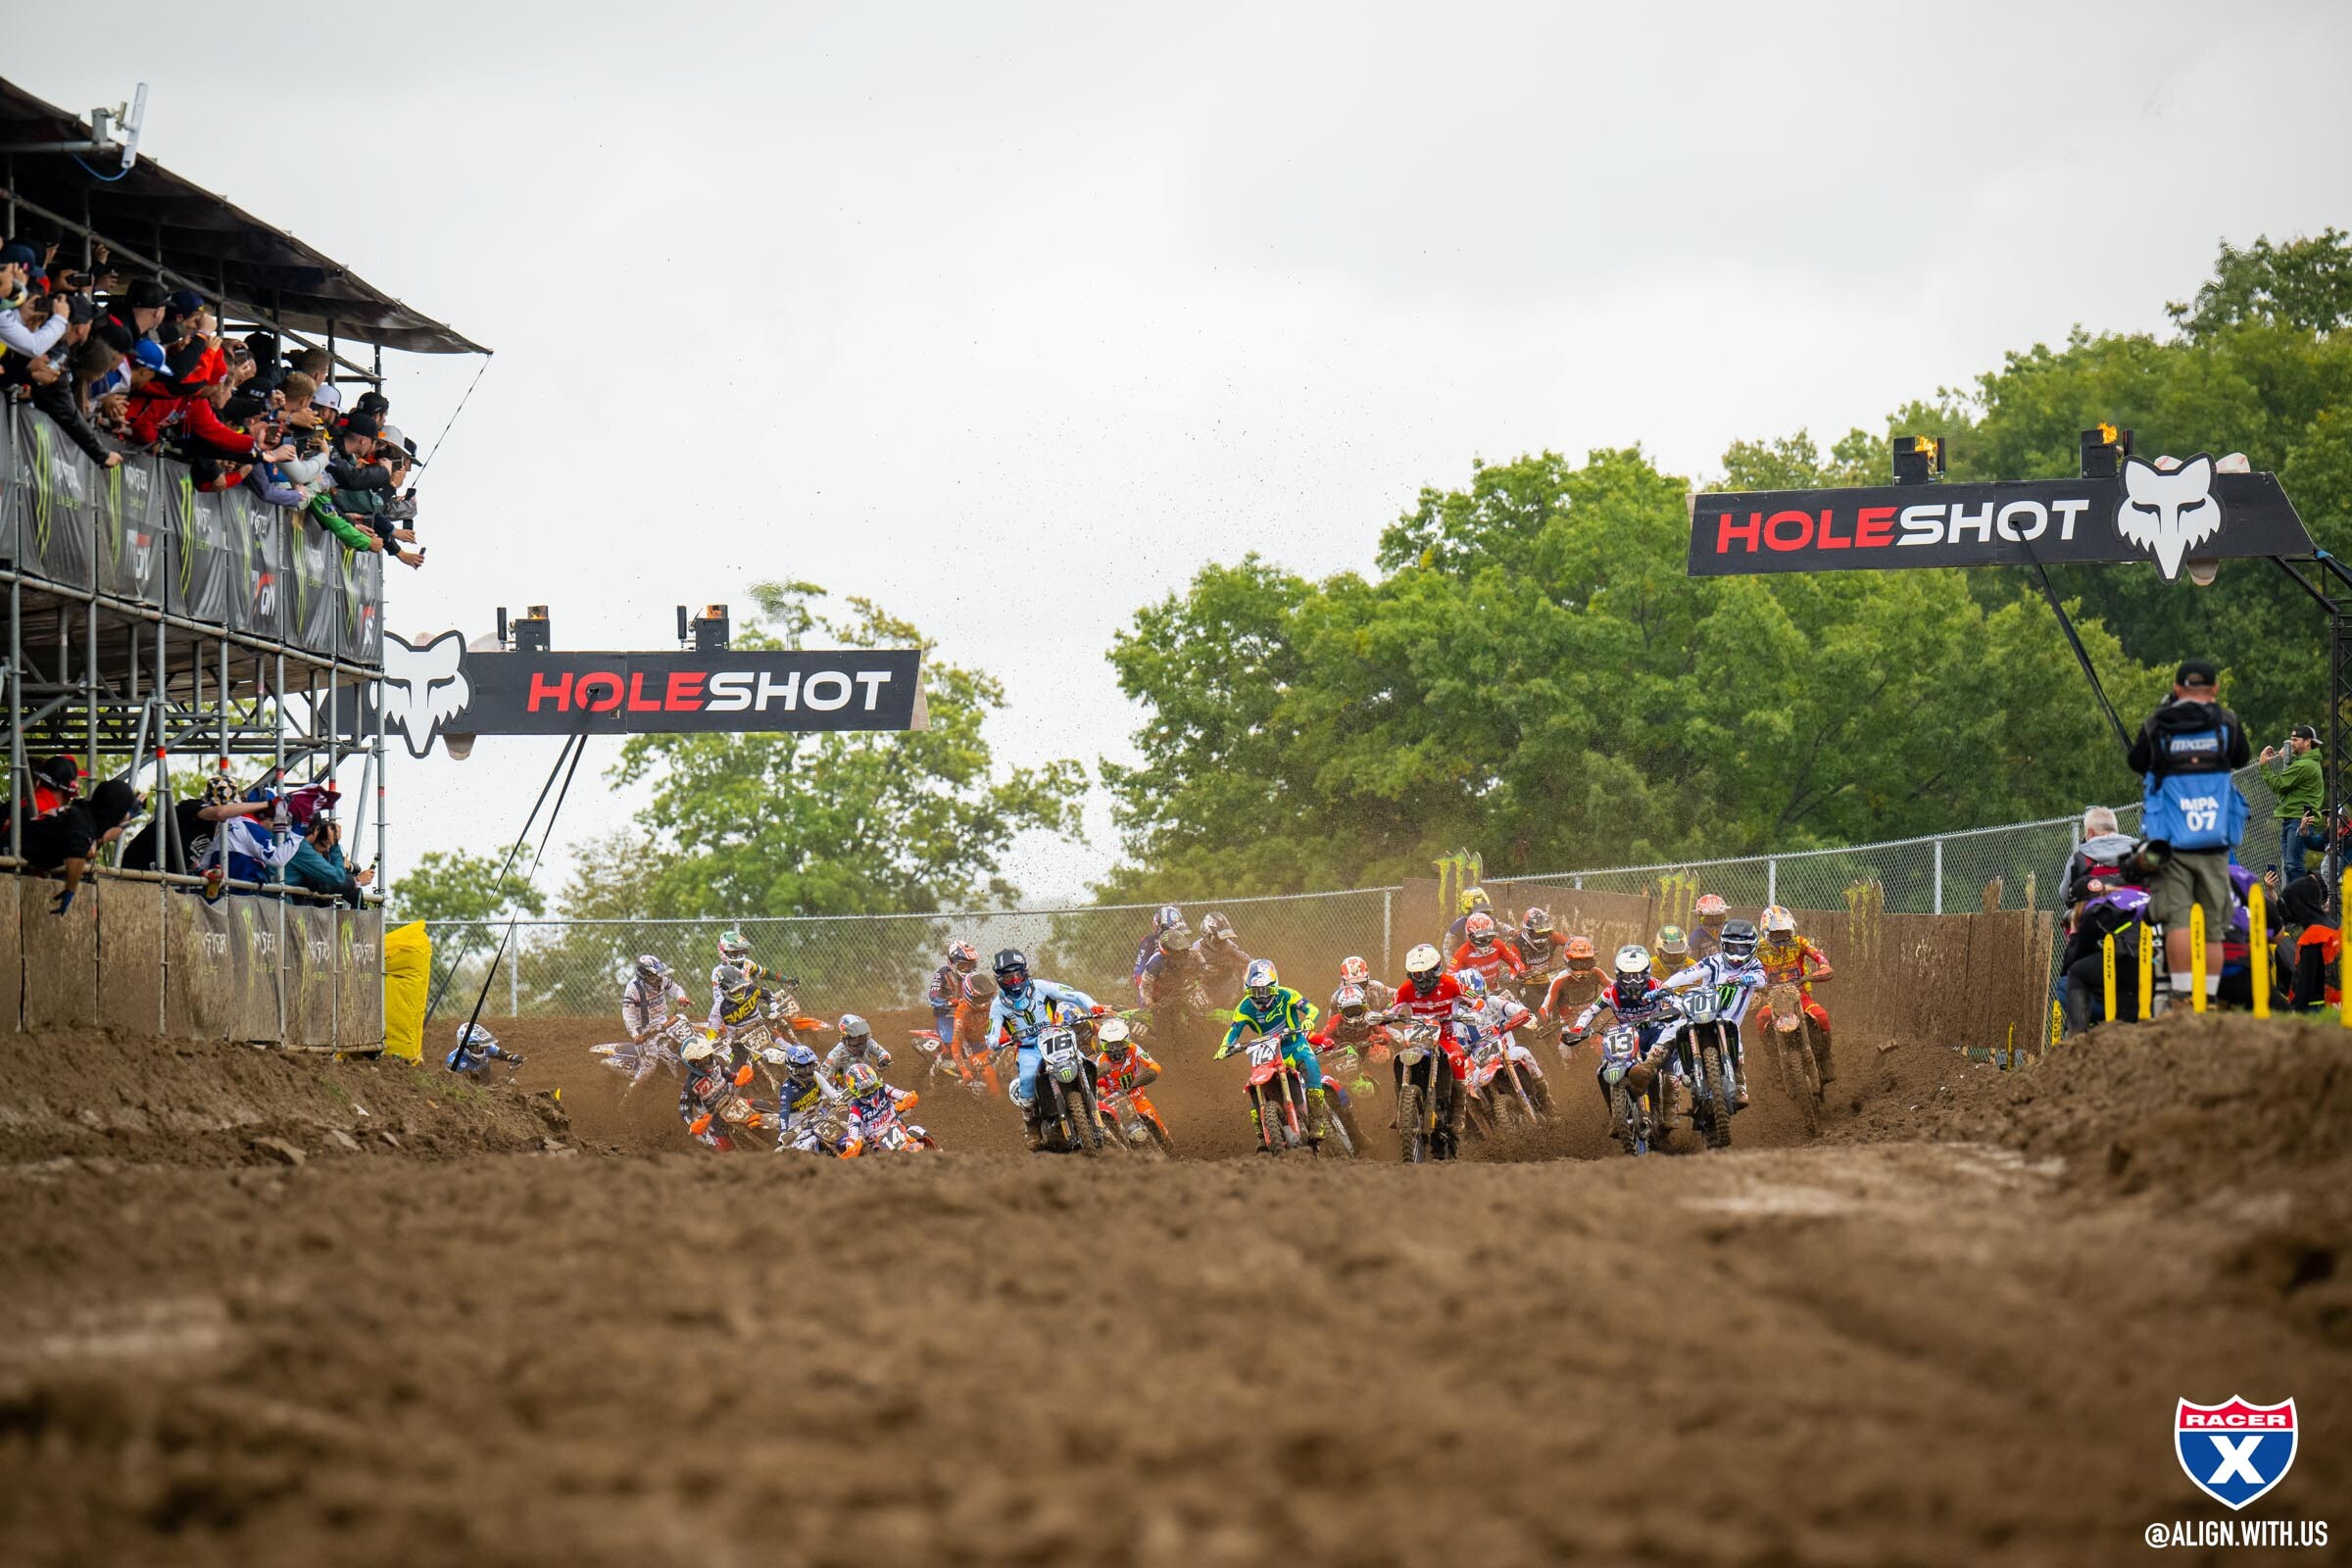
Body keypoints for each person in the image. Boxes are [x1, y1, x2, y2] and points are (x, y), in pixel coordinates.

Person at [2127, 660, 2251, 1010]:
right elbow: (2241, 757)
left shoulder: (2158, 724)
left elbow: (2137, 762)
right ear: (2214, 689)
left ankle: (2182, 996)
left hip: (2171, 839)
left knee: (2177, 917)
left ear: (2177, 687)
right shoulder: (2226, 723)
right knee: (2214, 924)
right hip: (2214, 835)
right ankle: (2207, 998)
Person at [985, 948, 1102, 1150]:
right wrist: (994, 1040)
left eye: (1018, 975)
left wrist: (1092, 1006)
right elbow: (992, 1030)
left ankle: (1096, 1102)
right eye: (1008, 978)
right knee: (1027, 1079)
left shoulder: (1041, 987)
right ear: (999, 979)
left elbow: (1073, 994)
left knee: (1085, 1061)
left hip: (1056, 1037)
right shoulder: (998, 1005)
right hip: (1029, 1048)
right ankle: (1032, 1127)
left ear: (1025, 972)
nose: (1015, 981)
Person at [1214, 958, 1330, 1145]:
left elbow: (1312, 1008)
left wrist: (1308, 1019)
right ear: (1247, 990)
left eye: (1265, 991)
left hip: (1294, 1045)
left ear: (1274, 987)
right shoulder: (1244, 1007)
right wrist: (1224, 1047)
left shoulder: (1286, 994)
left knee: (1310, 1064)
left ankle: (1317, 1121)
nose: (1260, 997)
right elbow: (1234, 1030)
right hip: (1267, 1051)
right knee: (1253, 1084)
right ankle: (1261, 1137)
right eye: (1255, 992)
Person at [1565, 944, 1688, 1118]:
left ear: (1646, 972)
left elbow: (1677, 1001)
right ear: (1618, 973)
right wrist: (1578, 1029)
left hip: (1655, 1033)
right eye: (1627, 976)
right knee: (1603, 1069)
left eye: (1637, 975)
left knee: (1669, 1067)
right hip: (1626, 1036)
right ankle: (1615, 1112)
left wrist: (1675, 1010)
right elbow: (1591, 1011)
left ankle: (1670, 1111)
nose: (1633, 981)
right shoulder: (1611, 991)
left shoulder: (1657, 985)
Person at [1659, 917, 1767, 1106]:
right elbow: (1690, 973)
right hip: (1702, 1015)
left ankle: (1740, 1083)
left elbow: (1761, 979)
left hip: (1729, 1023)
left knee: (1738, 1049)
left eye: (1742, 949)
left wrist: (1745, 979)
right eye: (1732, 948)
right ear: (1724, 945)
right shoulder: (1714, 962)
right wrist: (1666, 986)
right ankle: (1660, 1065)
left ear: (1752, 948)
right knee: (1672, 1029)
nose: (1736, 954)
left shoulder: (1754, 966)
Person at [2057, 844, 2160, 1032]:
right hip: (2166, 957)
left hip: (2138, 958)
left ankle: (2077, 1036)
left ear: (2079, 903)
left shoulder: (2094, 910)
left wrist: (2073, 934)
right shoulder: (2132, 894)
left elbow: (2075, 959)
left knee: (2075, 975)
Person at [1385, 942, 1472, 1155]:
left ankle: (1459, 1114)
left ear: (1436, 970)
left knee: (1457, 1056)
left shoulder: (1451, 984)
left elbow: (1473, 998)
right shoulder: (1405, 989)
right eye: (1415, 975)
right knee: (1398, 1058)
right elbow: (1391, 1008)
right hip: (1416, 1040)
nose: (1420, 980)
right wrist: (1383, 1018)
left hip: (1444, 1038)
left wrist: (1476, 1009)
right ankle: (1403, 1110)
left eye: (1424, 974)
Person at [22, 779, 140, 912]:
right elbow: (77, 855)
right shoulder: (82, 822)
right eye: (124, 811)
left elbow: (100, 838)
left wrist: (129, 817)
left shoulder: (85, 814)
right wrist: (70, 890)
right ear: (115, 810)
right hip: (10, 860)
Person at [119, 775, 271, 877]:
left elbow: (188, 853)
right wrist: (266, 804)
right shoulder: (192, 807)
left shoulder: (213, 827)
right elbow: (220, 812)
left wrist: (202, 871)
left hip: (164, 873)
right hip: (141, 867)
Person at [1451, 968, 1552, 1115]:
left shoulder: (1493, 1002)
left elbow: (1517, 1010)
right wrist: (1458, 1052)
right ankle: (1484, 1126)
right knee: (1468, 1085)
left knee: (1524, 1053)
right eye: (1466, 999)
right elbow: (1457, 1044)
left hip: (1507, 1051)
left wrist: (1521, 1017)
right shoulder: (1459, 1019)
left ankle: (1546, 1101)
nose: (1472, 1003)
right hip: (1480, 1064)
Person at [1753, 906, 1836, 1087]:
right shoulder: (1757, 948)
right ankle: (1775, 1064)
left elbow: (1820, 958)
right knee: (1761, 1019)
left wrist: (1822, 967)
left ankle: (1825, 1058)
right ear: (1766, 932)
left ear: (1791, 930)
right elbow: (1745, 968)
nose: (1781, 938)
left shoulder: (1800, 943)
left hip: (1800, 995)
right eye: (1776, 934)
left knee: (1821, 1016)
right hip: (1772, 998)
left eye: (1784, 933)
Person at [2260, 726, 2327, 880]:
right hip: (2292, 817)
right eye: (2291, 739)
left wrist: (2264, 766)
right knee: (2289, 866)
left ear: (2308, 741)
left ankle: (2299, 901)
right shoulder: (2305, 761)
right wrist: (2290, 757)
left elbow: (2279, 785)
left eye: (2295, 740)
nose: (2291, 743)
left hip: (2298, 819)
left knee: (2293, 865)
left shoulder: (2305, 765)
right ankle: (2291, 901)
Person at [618, 956, 694, 1091]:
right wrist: (636, 1035)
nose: (658, 980)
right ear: (644, 976)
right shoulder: (633, 988)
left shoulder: (662, 979)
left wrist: (681, 997)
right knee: (649, 1065)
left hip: (663, 1022)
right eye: (654, 977)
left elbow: (675, 988)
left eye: (659, 976)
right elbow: (628, 1014)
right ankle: (630, 1095)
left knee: (685, 1030)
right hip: (645, 1031)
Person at [2060, 807, 2139, 920]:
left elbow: (2065, 895)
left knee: (2069, 917)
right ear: (2115, 829)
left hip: (2096, 922)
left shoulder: (2079, 858)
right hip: (2137, 918)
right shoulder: (2138, 851)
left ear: (2090, 832)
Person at [835, 1061, 925, 1155]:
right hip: (877, 1145)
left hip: (898, 1128)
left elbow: (903, 1094)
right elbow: (852, 1129)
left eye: (873, 1087)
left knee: (917, 1130)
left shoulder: (883, 1088)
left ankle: (938, 1152)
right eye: (865, 1091)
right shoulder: (856, 1107)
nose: (871, 1093)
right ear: (855, 1091)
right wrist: (852, 1147)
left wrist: (907, 1099)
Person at [282, 815, 375, 907]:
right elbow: (325, 883)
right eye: (322, 845)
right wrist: (356, 880)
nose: (326, 849)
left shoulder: (327, 856)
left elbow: (349, 891)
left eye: (329, 846)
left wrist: (347, 873)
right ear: (315, 832)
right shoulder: (301, 850)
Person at [2278, 874, 2340, 1012]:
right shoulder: (2334, 927)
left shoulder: (2311, 938)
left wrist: (2294, 1009)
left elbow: (2305, 983)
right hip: (2336, 1005)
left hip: (2314, 1007)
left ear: (2299, 905)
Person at [1450, 910, 1528, 992]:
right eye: (1480, 938)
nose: (1484, 942)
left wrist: (1520, 972)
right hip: (1474, 996)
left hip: (1495, 991)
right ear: (1470, 936)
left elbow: (1514, 960)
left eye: (1488, 937)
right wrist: (1465, 992)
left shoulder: (1497, 944)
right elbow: (1450, 976)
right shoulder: (1462, 953)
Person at [1538, 935, 1605, 1026]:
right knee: (1564, 1039)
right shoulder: (1560, 980)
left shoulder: (1597, 973)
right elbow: (1546, 1007)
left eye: (1588, 963)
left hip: (1593, 1019)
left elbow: (1615, 987)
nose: (1583, 969)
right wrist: (1541, 1022)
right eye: (1577, 964)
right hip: (1568, 1024)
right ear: (1568, 961)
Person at [929, 939, 980, 1051]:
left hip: (969, 1016)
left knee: (982, 1039)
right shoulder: (943, 974)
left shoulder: (975, 978)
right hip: (947, 1015)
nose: (967, 969)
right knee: (952, 1042)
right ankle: (946, 1059)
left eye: (970, 965)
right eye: (963, 965)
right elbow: (932, 998)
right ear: (953, 963)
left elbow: (988, 995)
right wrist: (948, 1002)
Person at [822, 1013, 894, 1093]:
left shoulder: (868, 1042)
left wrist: (883, 1060)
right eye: (856, 1038)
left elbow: (883, 1052)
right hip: (846, 1092)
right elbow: (824, 1073)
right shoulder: (837, 1053)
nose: (861, 1041)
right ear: (846, 1038)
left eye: (862, 1037)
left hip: (869, 1084)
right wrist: (832, 1092)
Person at [1192, 911, 1250, 995]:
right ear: (1207, 934)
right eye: (1218, 940)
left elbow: (1246, 959)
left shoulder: (1228, 945)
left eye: (1224, 939)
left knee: (1237, 992)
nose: (1222, 942)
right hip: (1205, 986)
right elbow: (1190, 972)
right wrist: (1204, 969)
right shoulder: (1197, 948)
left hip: (1227, 983)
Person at [1132, 904, 1187, 989]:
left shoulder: (1182, 942)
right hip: (1156, 987)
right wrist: (1145, 989)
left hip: (1178, 984)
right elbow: (1139, 971)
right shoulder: (1149, 941)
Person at [446, 1022, 523, 1081]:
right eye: (475, 1048)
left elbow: (502, 1054)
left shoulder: (486, 1048)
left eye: (481, 1046)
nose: (480, 1050)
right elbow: (453, 1084)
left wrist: (513, 1058)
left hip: (487, 1082)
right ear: (464, 1046)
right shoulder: (454, 1061)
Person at [1512, 907, 1572, 978]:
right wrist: (1519, 974)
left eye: (1545, 933)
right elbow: (1513, 964)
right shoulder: (1518, 943)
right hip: (1527, 980)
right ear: (1528, 931)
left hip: (1548, 976)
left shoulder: (1553, 936)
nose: (1542, 937)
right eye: (1538, 934)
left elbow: (1572, 944)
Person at [1687, 894, 1731, 961]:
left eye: (1719, 919)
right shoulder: (1696, 938)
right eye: (1708, 920)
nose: (1714, 927)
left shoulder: (1731, 931)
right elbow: (1691, 962)